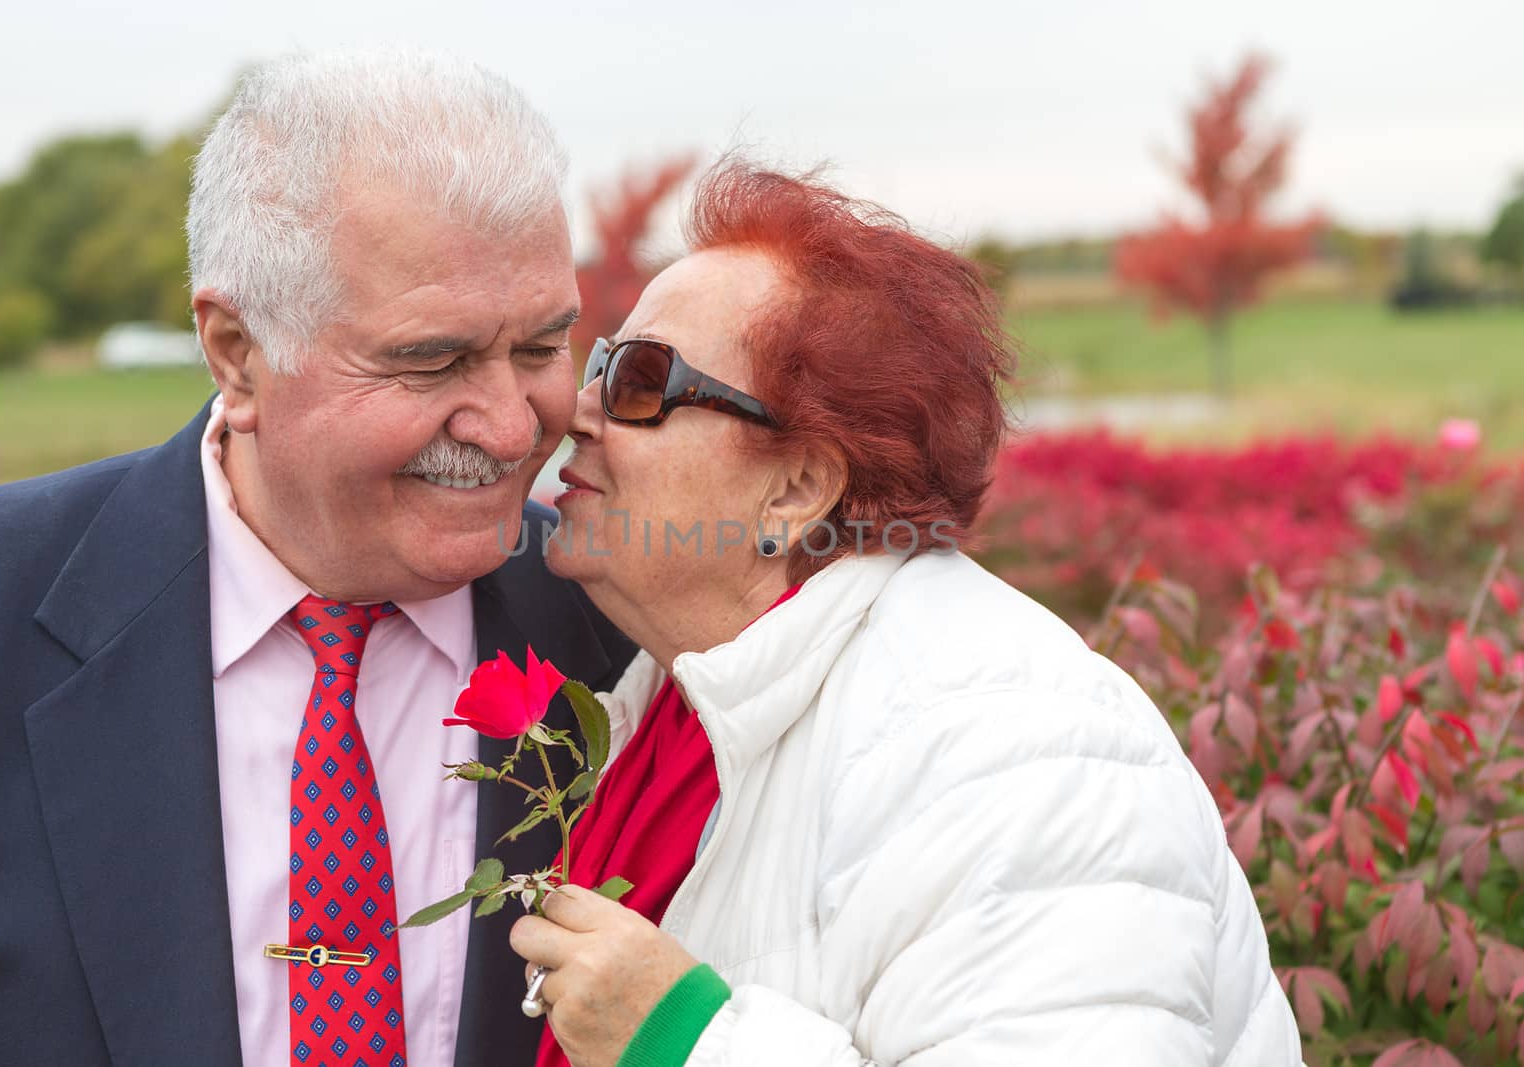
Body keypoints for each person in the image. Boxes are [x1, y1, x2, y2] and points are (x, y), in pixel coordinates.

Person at [0, 49, 632, 1066]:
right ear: (236, 352)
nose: (515, 426)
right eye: (431, 360)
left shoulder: (625, 623)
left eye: (539, 349)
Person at [510, 162, 1305, 1067]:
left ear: (797, 488)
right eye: (602, 363)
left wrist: (685, 1042)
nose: (576, 411)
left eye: (642, 380)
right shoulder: (673, 702)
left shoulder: (1008, 751)